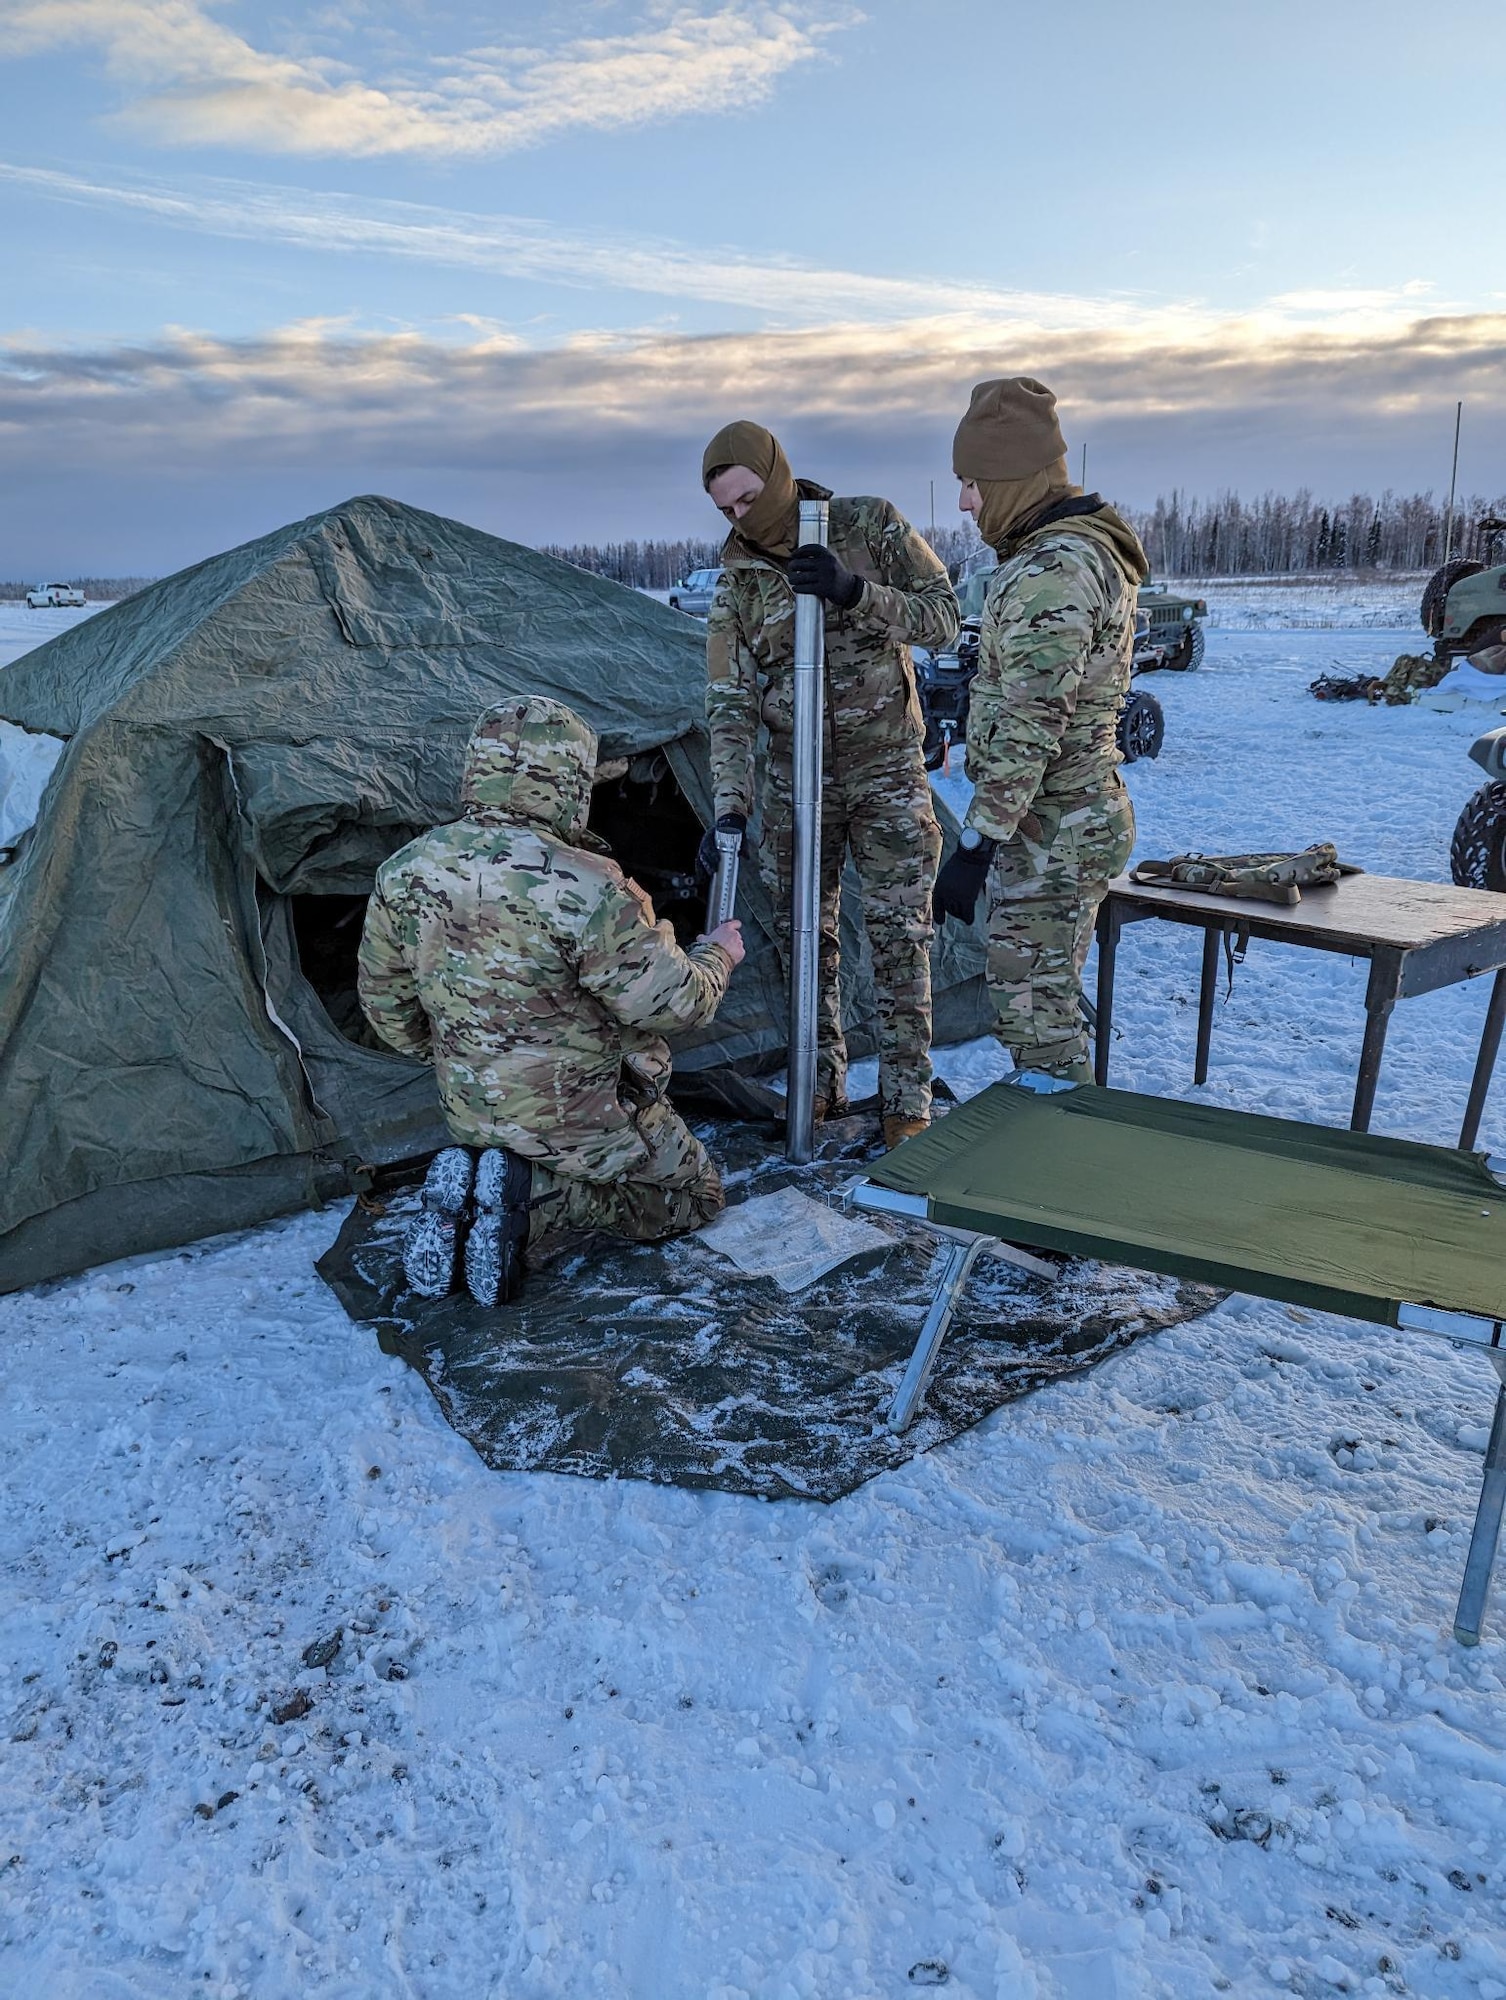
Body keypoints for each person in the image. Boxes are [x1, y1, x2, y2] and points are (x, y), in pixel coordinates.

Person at [357, 695, 744, 1305]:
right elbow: (677, 1005)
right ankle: (535, 1198)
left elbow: (387, 1011)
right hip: (583, 1118)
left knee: (514, 1135)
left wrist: (473, 1052)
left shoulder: (406, 870)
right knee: (693, 1198)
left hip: (471, 1110)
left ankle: (482, 1185)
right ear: (568, 780)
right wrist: (718, 953)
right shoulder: (587, 883)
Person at [699, 420, 959, 1149]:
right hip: (793, 781)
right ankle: (818, 1086)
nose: (744, 517)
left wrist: (856, 593)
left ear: (777, 475)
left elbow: (944, 618)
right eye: (728, 510)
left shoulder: (867, 524)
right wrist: (729, 806)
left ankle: (907, 1100)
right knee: (803, 942)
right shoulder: (739, 584)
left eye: (750, 497)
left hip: (886, 771)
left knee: (900, 935)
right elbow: (728, 706)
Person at [933, 377, 1149, 1083]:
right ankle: (1059, 1133)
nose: (966, 502)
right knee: (1041, 999)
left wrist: (976, 842)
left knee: (1035, 1013)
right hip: (1065, 816)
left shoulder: (1052, 568)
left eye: (973, 483)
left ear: (1015, 479)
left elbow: (1031, 721)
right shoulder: (1075, 549)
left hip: (1055, 826)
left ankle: (1066, 1153)